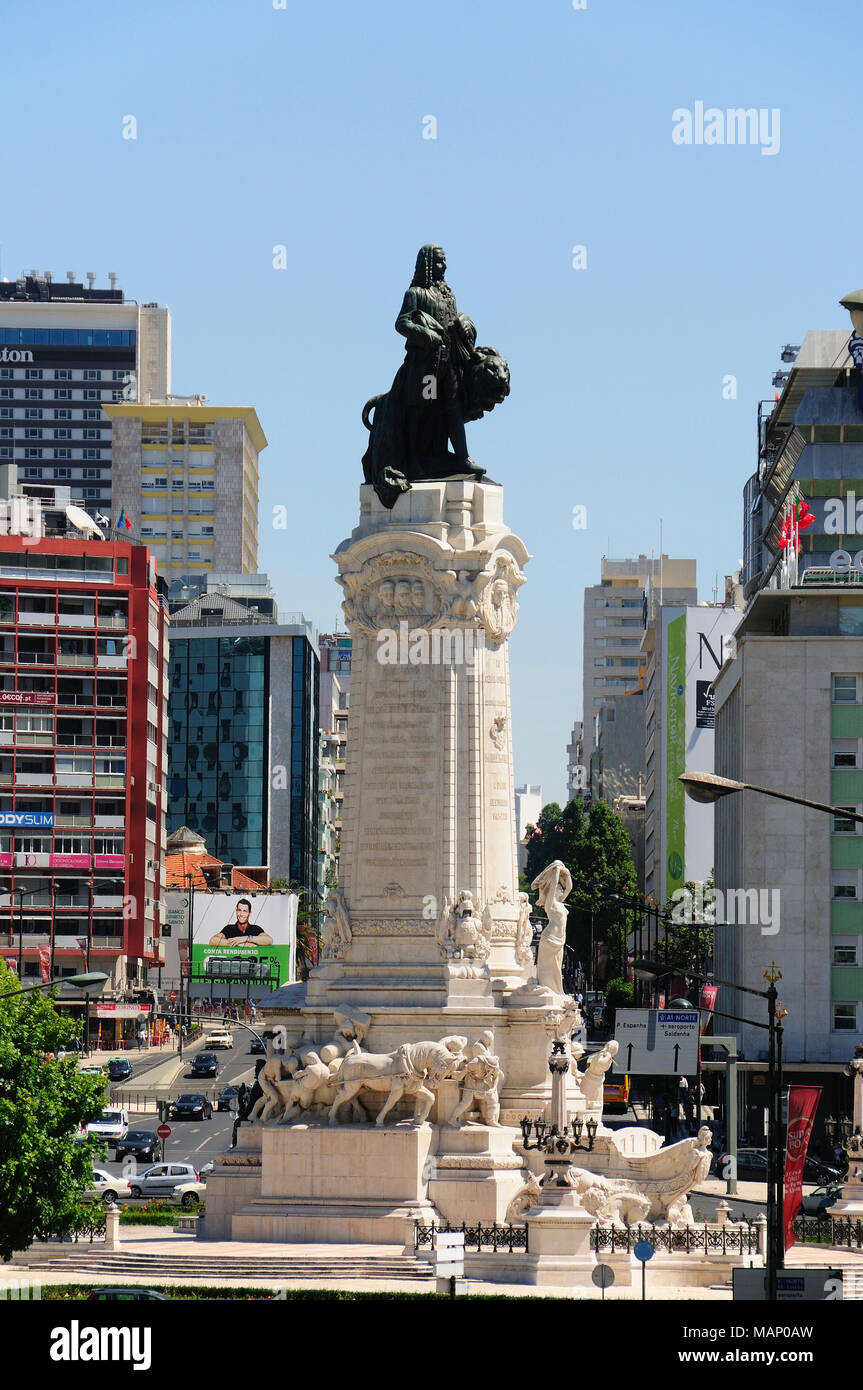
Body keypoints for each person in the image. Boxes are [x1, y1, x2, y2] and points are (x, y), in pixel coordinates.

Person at [208, 898, 273, 947]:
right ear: (236, 911)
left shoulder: (255, 929)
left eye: (245, 911)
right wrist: (239, 944)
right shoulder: (229, 928)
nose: (241, 914)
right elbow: (213, 940)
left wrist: (246, 939)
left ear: (249, 913)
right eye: (239, 910)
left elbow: (269, 940)